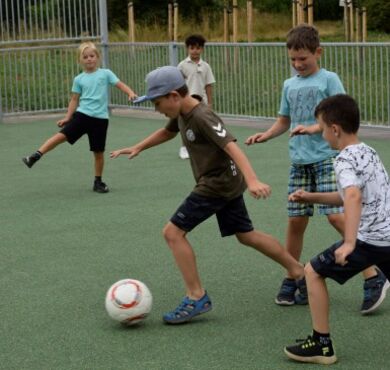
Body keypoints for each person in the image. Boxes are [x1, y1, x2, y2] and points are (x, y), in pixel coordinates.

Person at [110, 65, 305, 324]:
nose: (157, 109)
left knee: (172, 232)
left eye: (157, 103)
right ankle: (299, 272)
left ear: (173, 96)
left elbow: (231, 146)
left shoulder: (202, 116)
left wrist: (253, 179)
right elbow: (168, 131)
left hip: (217, 185)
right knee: (246, 235)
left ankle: (196, 296)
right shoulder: (182, 111)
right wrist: (138, 147)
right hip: (224, 182)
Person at [245, 24, 387, 312]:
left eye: (303, 59)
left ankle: (372, 275)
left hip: (326, 158)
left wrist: (313, 128)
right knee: (296, 221)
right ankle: (293, 276)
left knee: (336, 216)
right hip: (299, 161)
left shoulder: (329, 79)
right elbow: (283, 120)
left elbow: (341, 114)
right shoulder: (289, 85)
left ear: (317, 53)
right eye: (293, 60)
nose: (298, 65)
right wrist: (266, 134)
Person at [284, 94, 390, 365]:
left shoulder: (343, 159)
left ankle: (321, 343)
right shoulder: (369, 151)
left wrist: (350, 242)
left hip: (370, 240)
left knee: (312, 271)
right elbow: (349, 195)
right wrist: (311, 196)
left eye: (320, 128)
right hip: (388, 236)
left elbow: (353, 196)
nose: (320, 135)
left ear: (335, 129)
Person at [22, 41, 137, 193]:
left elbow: (120, 84)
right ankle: (35, 156)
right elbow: (74, 99)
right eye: (85, 57)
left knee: (98, 153)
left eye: (92, 56)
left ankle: (98, 182)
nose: (89, 59)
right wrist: (68, 117)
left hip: (100, 120)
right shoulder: (79, 79)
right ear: (80, 60)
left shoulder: (106, 73)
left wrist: (130, 93)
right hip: (82, 116)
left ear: (98, 57)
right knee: (60, 136)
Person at [177, 34, 215, 159]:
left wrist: (210, 103)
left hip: (201, 101)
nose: (195, 51)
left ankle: (204, 147)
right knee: (186, 125)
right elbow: (177, 83)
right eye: (192, 48)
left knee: (203, 124)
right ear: (187, 49)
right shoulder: (182, 65)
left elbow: (209, 85)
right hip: (186, 101)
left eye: (198, 48)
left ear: (202, 49)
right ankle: (184, 147)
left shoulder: (206, 66)